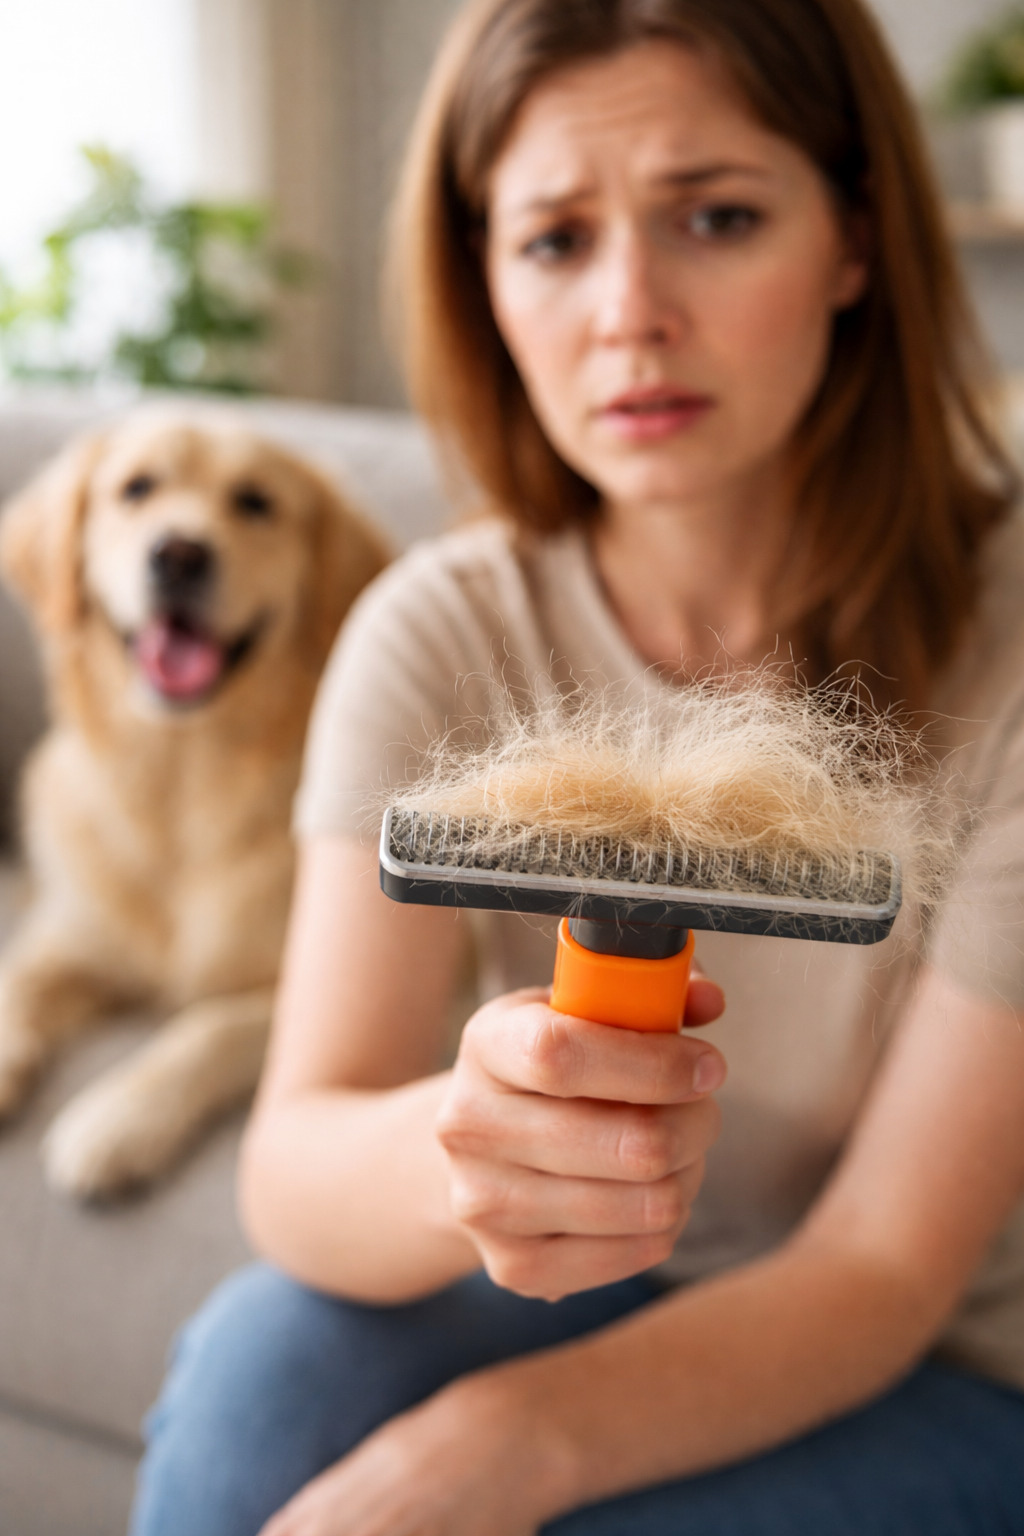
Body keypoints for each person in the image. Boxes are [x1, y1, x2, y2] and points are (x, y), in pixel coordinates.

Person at [130, 2, 1024, 1533]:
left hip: (944, 1356)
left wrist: (498, 1446)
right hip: (606, 1285)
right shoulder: (438, 628)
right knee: (257, 1377)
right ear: (483, 275)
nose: (630, 311)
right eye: (553, 239)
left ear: (857, 243)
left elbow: (881, 1267)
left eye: (719, 217)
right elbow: (296, 1165)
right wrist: (465, 1141)